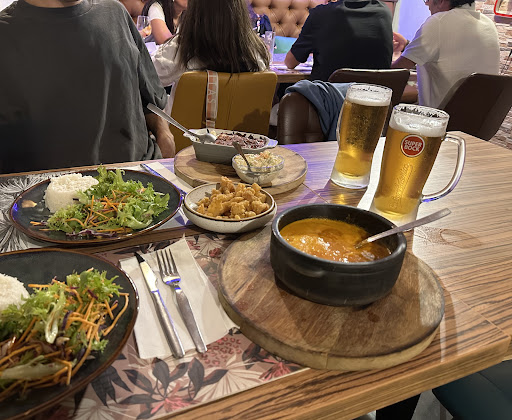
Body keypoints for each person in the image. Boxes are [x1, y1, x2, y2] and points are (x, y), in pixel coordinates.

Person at [0, 0, 175, 174]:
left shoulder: (115, 13)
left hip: (136, 176)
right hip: (44, 186)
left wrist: (164, 135)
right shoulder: (6, 33)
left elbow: (150, 99)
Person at [151, 0, 269, 109]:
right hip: (243, 125)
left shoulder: (183, 49)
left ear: (196, 10)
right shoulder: (257, 52)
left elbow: (149, 77)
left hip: (184, 125)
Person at [392, 0, 499, 108]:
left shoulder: (439, 21)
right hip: (478, 115)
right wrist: (406, 45)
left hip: (439, 115)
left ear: (441, 1)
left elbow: (393, 73)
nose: (427, 4)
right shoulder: (488, 24)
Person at [284, 0, 393, 82]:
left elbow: (290, 63)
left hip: (328, 101)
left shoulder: (322, 13)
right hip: (375, 101)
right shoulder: (385, 12)